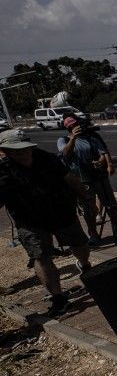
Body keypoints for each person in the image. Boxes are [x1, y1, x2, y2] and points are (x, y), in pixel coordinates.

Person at [0, 128, 92, 315]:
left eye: (25, 149)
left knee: (80, 245)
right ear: (6, 151)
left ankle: (85, 266)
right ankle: (58, 297)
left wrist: (87, 199)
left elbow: (70, 179)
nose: (23, 154)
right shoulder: (2, 172)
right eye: (17, 151)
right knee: (41, 256)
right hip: (29, 221)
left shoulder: (48, 159)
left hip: (61, 212)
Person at [56, 115, 117, 244]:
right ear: (69, 128)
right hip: (82, 179)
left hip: (98, 177)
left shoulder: (91, 137)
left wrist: (100, 162)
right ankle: (93, 234)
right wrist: (73, 138)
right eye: (73, 125)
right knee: (88, 209)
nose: (78, 126)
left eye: (78, 124)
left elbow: (102, 153)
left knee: (110, 204)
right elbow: (65, 154)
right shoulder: (63, 140)